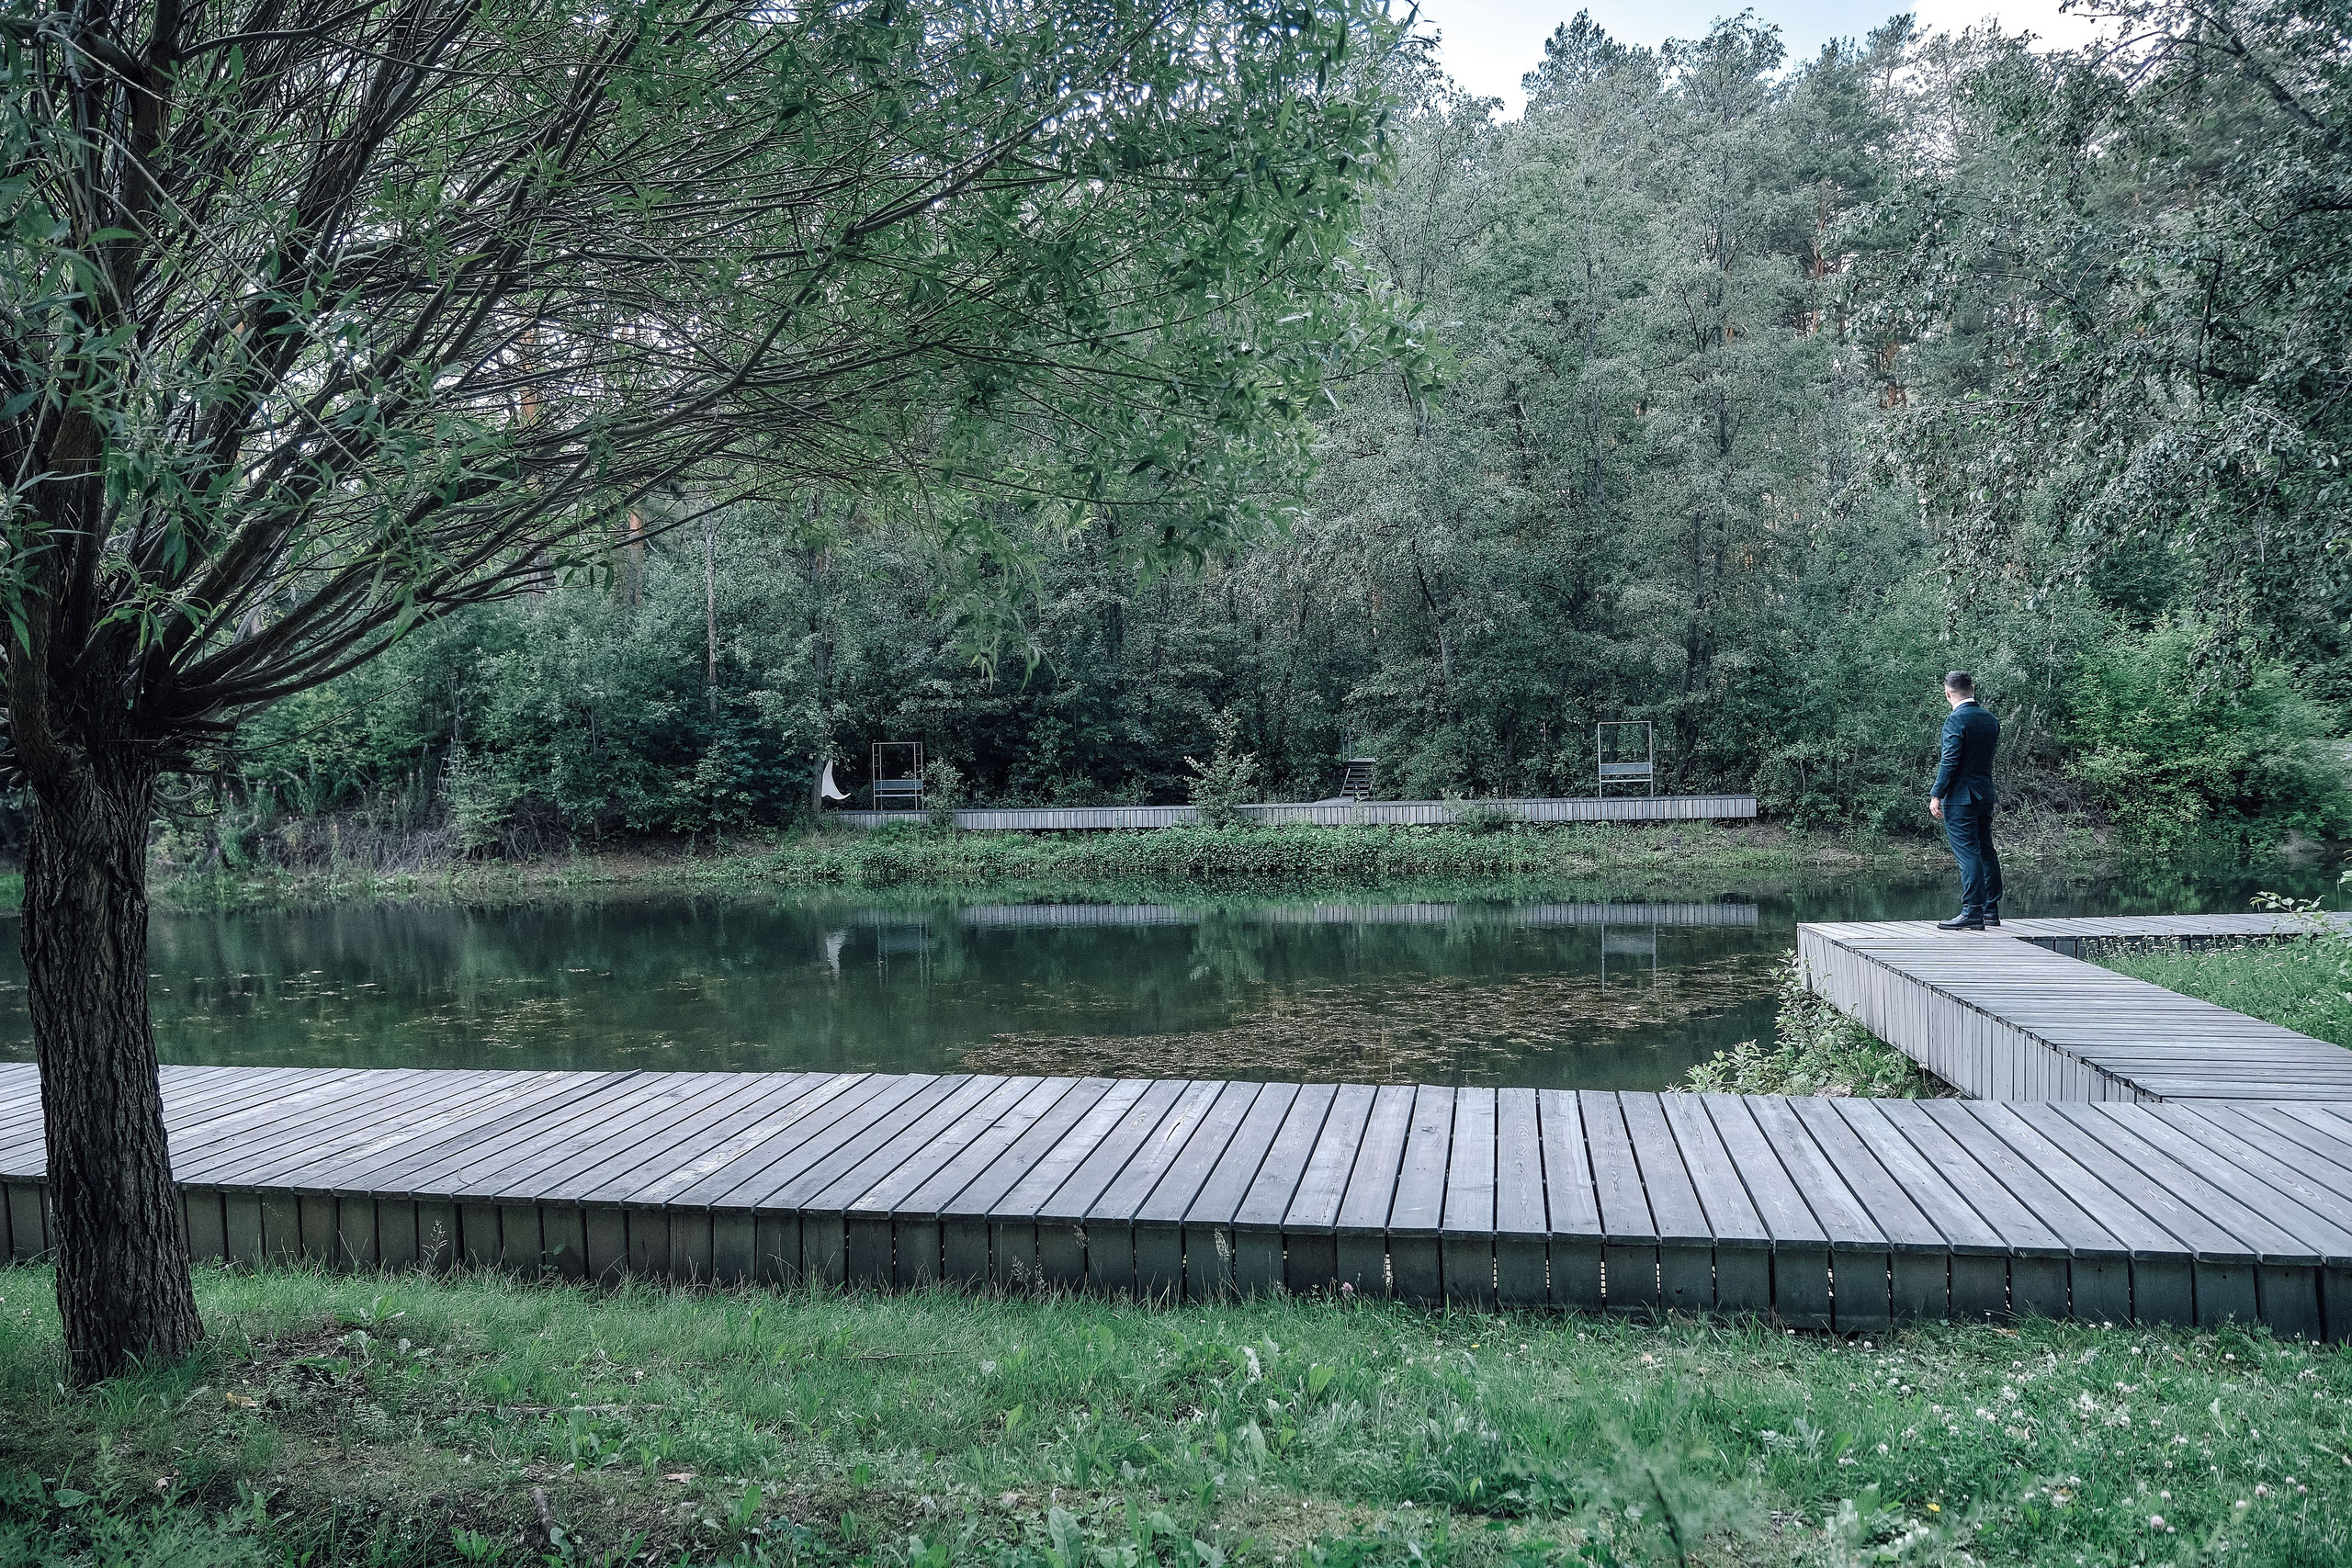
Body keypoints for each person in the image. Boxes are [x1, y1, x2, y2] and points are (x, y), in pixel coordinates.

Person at [1928, 671, 2002, 931]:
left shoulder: (1955, 720)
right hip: (1984, 794)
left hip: (1960, 798)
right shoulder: (1990, 720)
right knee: (1985, 851)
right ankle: (1990, 910)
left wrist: (1936, 793)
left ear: (1948, 693)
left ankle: (1972, 911)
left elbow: (1950, 761)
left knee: (1968, 854)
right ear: (1972, 689)